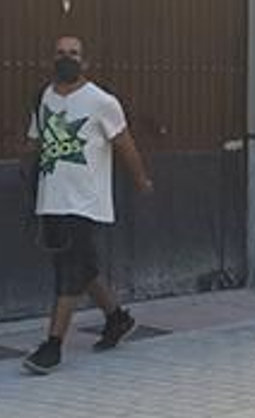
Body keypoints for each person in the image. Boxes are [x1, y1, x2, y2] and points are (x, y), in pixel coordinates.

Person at [22, 35, 155, 375]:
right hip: (51, 199)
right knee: (82, 268)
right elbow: (34, 143)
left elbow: (125, 144)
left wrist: (141, 181)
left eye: (74, 54)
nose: (67, 58)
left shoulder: (102, 102)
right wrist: (26, 179)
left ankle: (52, 346)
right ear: (51, 58)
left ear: (86, 62)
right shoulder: (42, 98)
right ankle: (117, 318)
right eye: (61, 53)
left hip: (85, 202)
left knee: (68, 272)